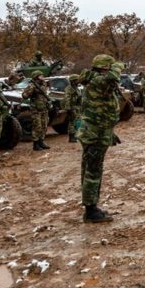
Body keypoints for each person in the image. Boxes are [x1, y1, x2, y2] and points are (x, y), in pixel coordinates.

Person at [77, 54, 122, 223]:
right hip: (95, 133)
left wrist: (109, 132)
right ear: (105, 69)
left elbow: (101, 111)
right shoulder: (98, 81)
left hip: (98, 130)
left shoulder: (96, 80)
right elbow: (113, 77)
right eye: (109, 68)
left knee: (91, 167)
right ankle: (90, 210)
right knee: (93, 170)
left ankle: (91, 206)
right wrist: (117, 66)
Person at [22, 71, 51, 150]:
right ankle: (36, 144)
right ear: (36, 77)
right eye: (40, 75)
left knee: (44, 125)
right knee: (37, 126)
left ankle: (41, 141)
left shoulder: (44, 84)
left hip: (44, 108)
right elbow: (24, 96)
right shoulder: (32, 85)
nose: (42, 76)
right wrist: (31, 90)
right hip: (36, 109)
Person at [63, 74, 82, 143]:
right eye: (77, 80)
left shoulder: (76, 88)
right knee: (72, 122)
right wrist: (68, 108)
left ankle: (76, 135)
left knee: (77, 122)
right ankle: (71, 137)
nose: (78, 81)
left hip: (77, 108)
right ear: (73, 81)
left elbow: (79, 98)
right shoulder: (69, 89)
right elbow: (67, 99)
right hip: (72, 107)